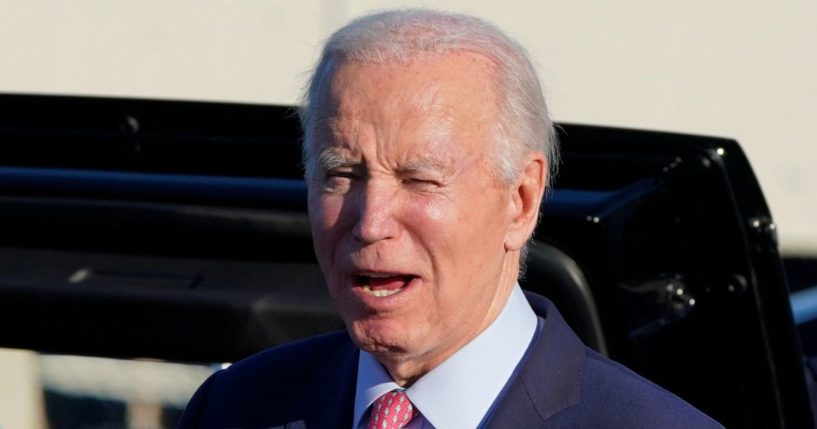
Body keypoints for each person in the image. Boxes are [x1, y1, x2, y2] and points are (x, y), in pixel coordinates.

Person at [179, 9, 722, 429]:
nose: (370, 222)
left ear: (522, 200)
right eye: (342, 174)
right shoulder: (235, 409)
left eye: (420, 179)